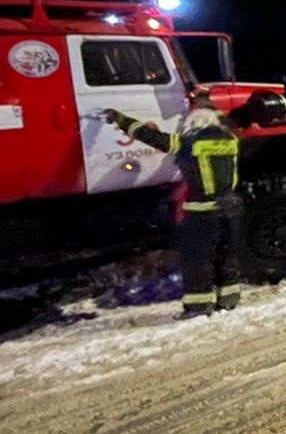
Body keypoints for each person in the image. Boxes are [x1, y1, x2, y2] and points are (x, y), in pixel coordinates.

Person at [103, 91, 243, 319]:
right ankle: (229, 299)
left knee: (197, 260)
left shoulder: (187, 143)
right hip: (231, 208)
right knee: (227, 255)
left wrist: (122, 120)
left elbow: (149, 136)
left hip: (202, 213)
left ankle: (199, 307)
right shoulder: (231, 140)